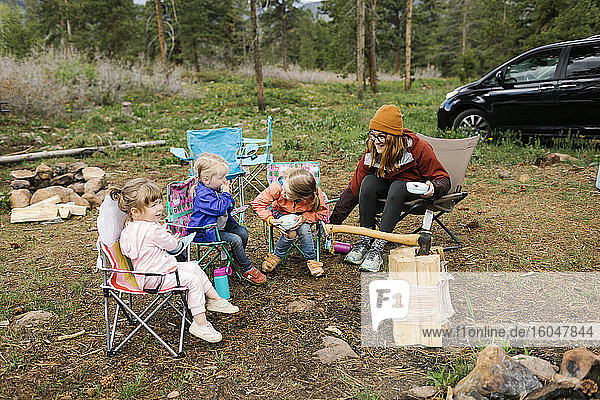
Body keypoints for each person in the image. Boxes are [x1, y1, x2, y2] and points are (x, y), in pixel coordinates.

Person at [112, 177, 239, 343]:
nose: (159, 208)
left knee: (193, 267)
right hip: (158, 277)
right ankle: (200, 324)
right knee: (192, 281)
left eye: (159, 202)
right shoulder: (153, 229)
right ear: (135, 211)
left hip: (146, 275)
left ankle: (215, 300)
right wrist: (174, 239)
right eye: (152, 205)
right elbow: (174, 247)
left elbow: (133, 248)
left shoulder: (129, 227)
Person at [329, 104, 450, 272]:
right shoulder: (372, 149)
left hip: (410, 191)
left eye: (381, 137)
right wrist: (332, 224)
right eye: (373, 135)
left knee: (398, 186)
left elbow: (443, 178)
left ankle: (378, 246)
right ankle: (366, 239)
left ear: (393, 137)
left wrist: (434, 187)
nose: (376, 141)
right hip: (387, 187)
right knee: (368, 182)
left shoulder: (418, 149)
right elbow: (354, 189)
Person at [188, 153, 266, 284]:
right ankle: (246, 268)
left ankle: (235, 261)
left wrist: (227, 198)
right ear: (206, 180)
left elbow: (227, 208)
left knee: (242, 232)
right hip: (205, 231)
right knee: (235, 239)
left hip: (219, 226)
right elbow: (218, 208)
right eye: (221, 177)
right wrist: (226, 194)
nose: (224, 180)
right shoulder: (202, 194)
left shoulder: (214, 188)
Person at [251, 168, 328, 277]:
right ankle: (276, 256)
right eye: (283, 189)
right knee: (291, 231)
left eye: (287, 193)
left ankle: (312, 260)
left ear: (301, 197)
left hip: (305, 215)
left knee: (304, 229)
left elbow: (321, 212)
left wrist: (305, 218)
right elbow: (258, 203)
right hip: (282, 213)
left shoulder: (313, 194)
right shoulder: (279, 186)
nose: (282, 193)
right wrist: (270, 219)